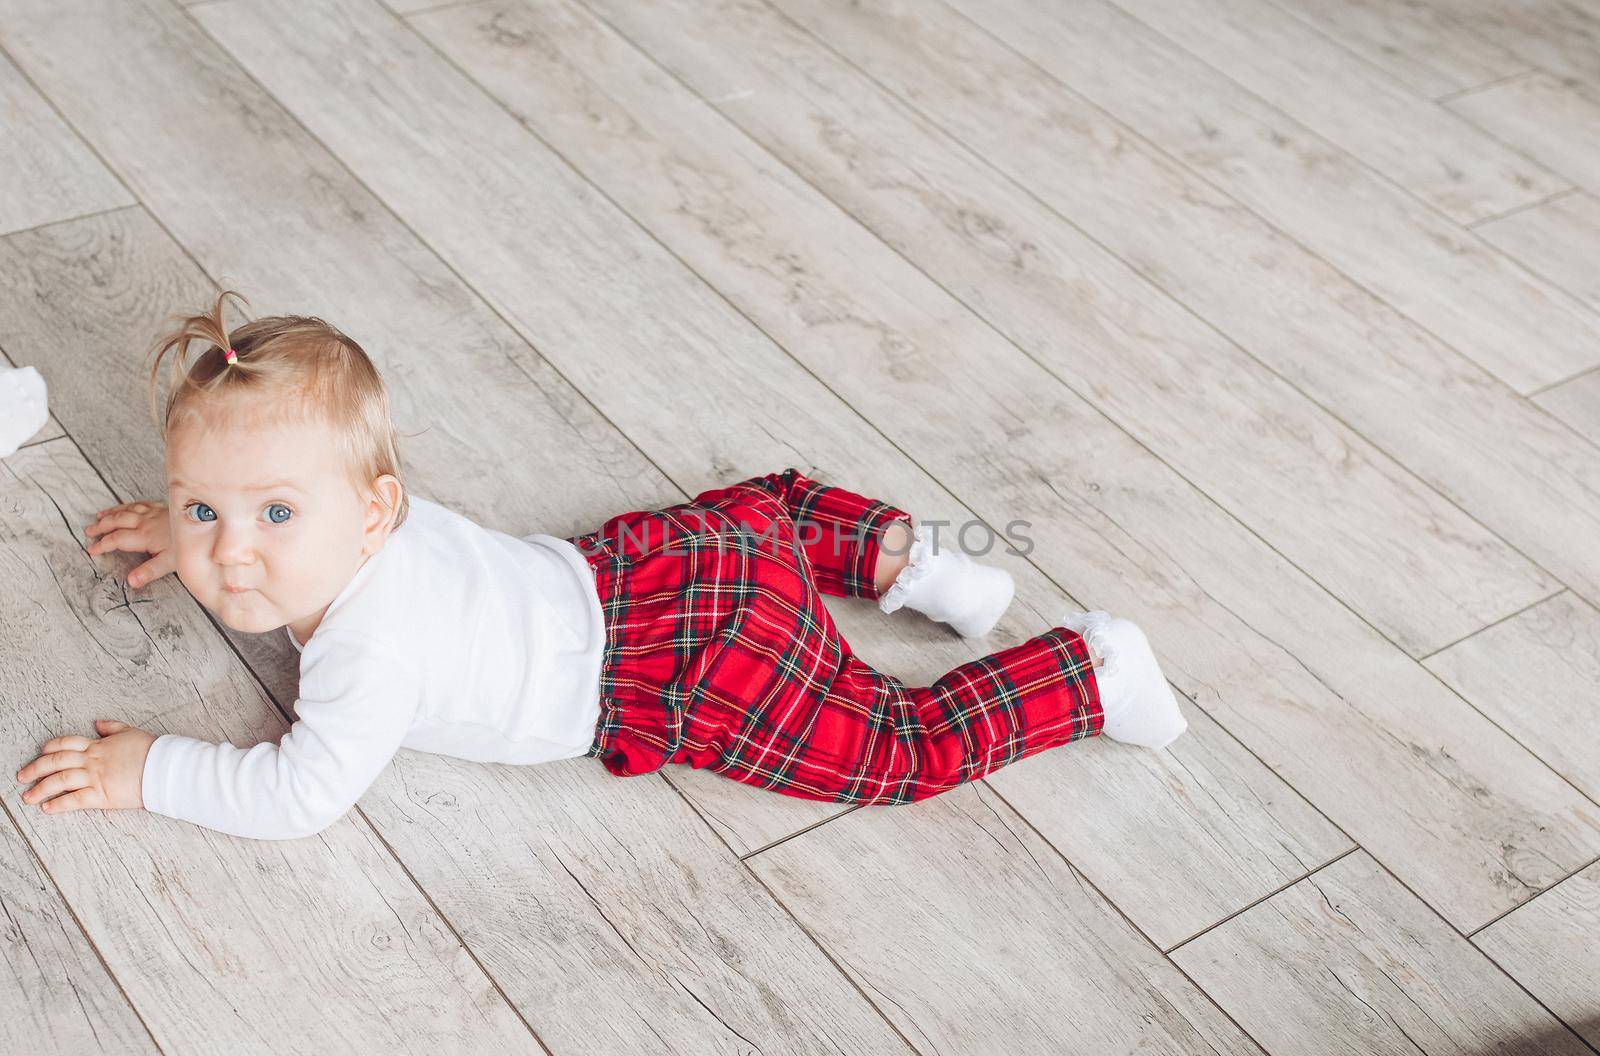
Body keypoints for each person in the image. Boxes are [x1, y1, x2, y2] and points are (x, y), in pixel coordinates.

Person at [14, 291, 1187, 840]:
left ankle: (1087, 668)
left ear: (375, 514)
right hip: (646, 568)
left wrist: (144, 770)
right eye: (202, 507)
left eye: (271, 512)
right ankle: (916, 560)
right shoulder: (358, 523)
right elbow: (260, 523)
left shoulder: (370, 652)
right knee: (759, 514)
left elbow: (297, 794)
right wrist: (207, 529)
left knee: (892, 746)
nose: (233, 550)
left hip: (687, 668)